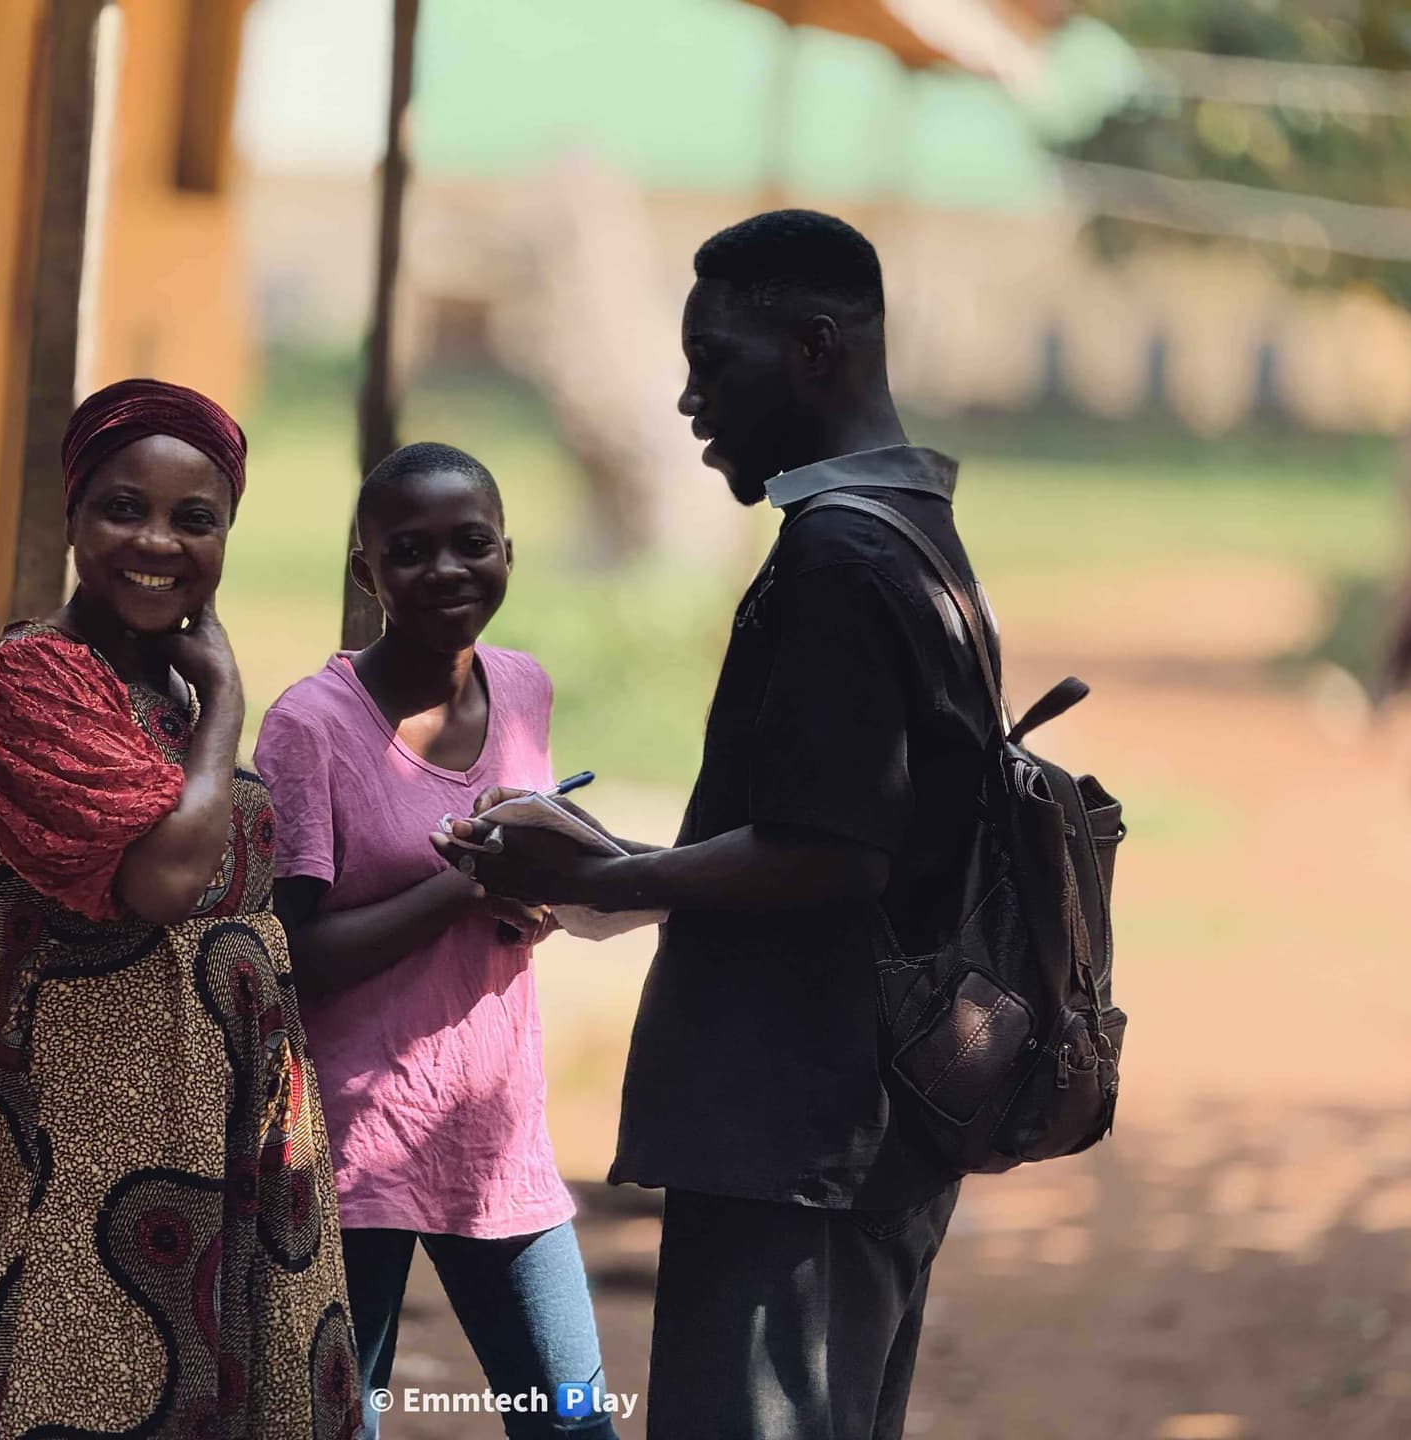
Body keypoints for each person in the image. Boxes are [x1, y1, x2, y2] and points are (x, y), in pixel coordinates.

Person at [436, 211, 995, 1440]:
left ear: (812, 350)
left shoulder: (844, 563)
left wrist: (614, 875)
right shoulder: (913, 532)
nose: (689, 400)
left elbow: (831, 855)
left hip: (801, 1126)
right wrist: (612, 868)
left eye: (713, 362)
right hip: (869, 1118)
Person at [0, 379, 358, 1440]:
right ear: (71, 517)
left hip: (225, 1107)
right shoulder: (31, 685)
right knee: (79, 1379)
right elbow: (161, 882)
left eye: (195, 519)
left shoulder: (166, 685)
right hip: (88, 1128)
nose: (157, 541)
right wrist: (230, 704)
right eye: (123, 508)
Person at [254, 443, 619, 1440]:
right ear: (365, 569)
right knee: (338, 1421)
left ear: (509, 551)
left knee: (573, 1419)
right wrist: (464, 886)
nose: (447, 572)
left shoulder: (524, 688)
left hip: (496, 1129)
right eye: (410, 551)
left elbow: (509, 891)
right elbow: (300, 953)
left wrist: (525, 897)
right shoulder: (310, 726)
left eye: (472, 545)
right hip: (355, 1138)